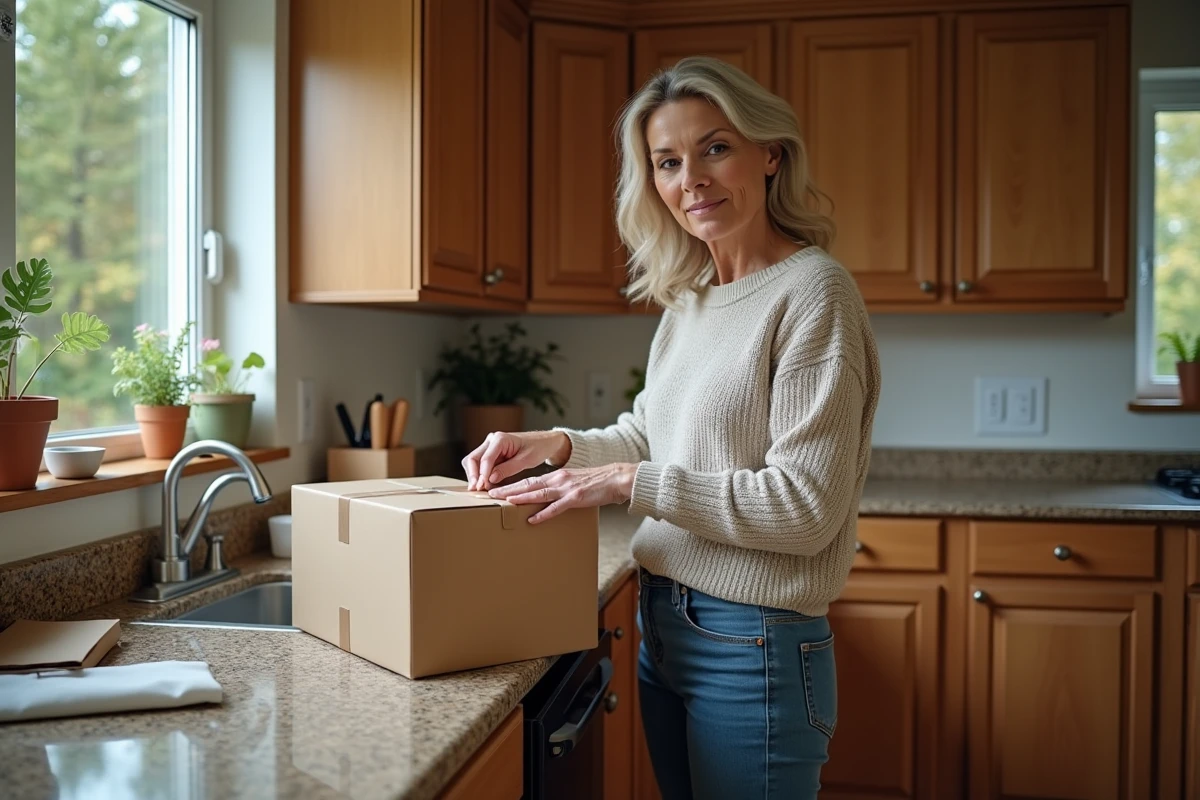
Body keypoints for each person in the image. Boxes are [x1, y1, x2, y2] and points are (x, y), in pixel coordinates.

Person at [462, 56, 880, 800]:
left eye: (715, 147)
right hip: (668, 624)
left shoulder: (815, 292)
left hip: (754, 641)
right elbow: (651, 437)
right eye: (668, 161)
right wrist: (556, 446)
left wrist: (628, 482)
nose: (692, 178)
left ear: (771, 154)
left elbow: (804, 508)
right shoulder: (687, 302)